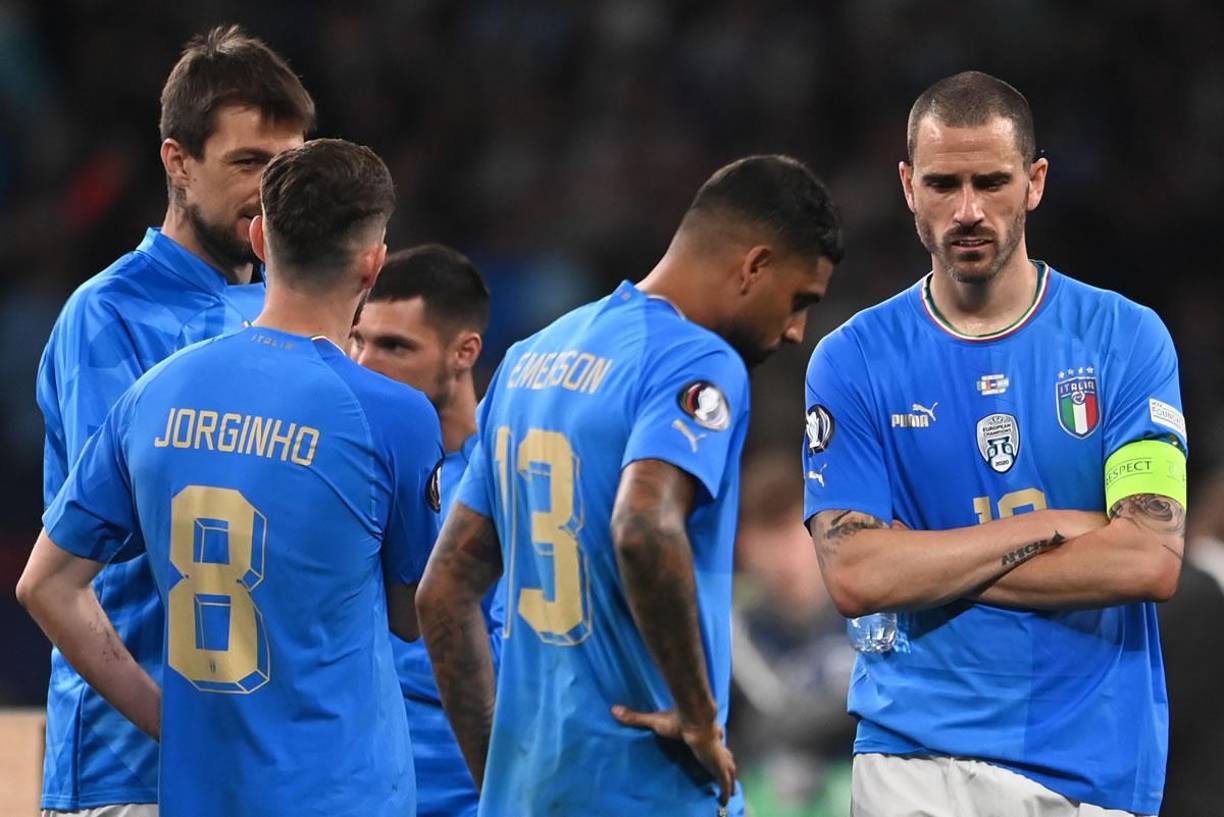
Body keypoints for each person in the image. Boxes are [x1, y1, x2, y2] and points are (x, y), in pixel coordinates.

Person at [18, 139, 443, 817]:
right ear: (373, 263)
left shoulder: (156, 392)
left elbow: (44, 584)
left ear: (259, 235)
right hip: (338, 791)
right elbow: (409, 614)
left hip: (199, 791)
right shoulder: (394, 415)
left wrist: (170, 725)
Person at [803, 71, 1186, 817]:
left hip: (1087, 766)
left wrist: (918, 558)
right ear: (909, 186)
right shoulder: (852, 359)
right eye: (944, 183)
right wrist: (1054, 529)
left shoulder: (1125, 339)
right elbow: (855, 574)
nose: (969, 210)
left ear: (1035, 182)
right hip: (911, 756)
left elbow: (1148, 556)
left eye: (992, 181)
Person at [416, 154, 844, 817]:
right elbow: (644, 526)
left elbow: (443, 592)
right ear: (754, 265)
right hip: (651, 789)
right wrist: (699, 717)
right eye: (799, 301)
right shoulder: (698, 361)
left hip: (532, 795)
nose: (796, 331)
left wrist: (500, 777)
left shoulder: (531, 357)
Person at [34, 25, 314, 817]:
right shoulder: (108, 314)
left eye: (289, 166)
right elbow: (124, 525)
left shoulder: (288, 310)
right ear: (178, 163)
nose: (273, 190)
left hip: (267, 764)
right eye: (249, 163)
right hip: (134, 767)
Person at [350, 244, 503, 817]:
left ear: (465, 352)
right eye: (359, 339)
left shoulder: (514, 476)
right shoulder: (345, 471)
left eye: (394, 346)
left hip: (477, 795)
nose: (364, 364)